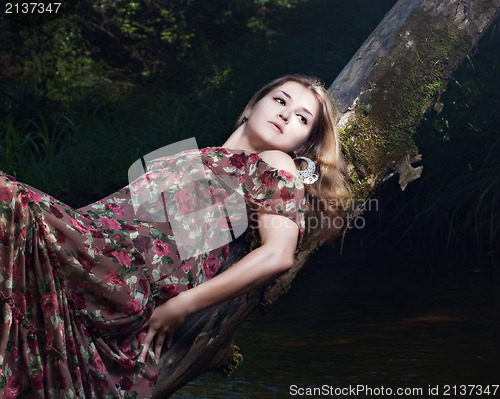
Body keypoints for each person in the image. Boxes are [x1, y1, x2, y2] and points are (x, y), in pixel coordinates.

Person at [0, 74, 349, 398]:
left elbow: (278, 255)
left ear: (304, 145)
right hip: (93, 250)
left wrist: (183, 305)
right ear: (251, 106)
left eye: (303, 118)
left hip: (124, 273)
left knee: (8, 196)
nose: (287, 116)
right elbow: (116, 213)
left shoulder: (276, 162)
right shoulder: (196, 156)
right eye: (280, 101)